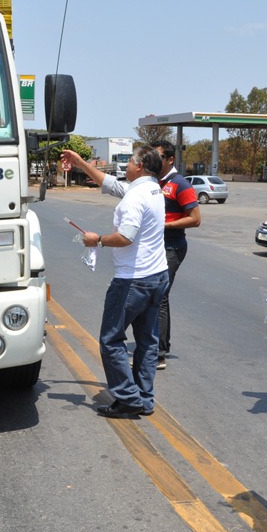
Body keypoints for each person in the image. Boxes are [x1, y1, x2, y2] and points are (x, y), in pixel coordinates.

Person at [60, 146, 169, 418]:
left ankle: (128, 398)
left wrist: (96, 240)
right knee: (147, 340)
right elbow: (109, 183)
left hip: (133, 280)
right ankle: (144, 398)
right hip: (157, 277)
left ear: (140, 166)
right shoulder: (153, 189)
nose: (125, 166)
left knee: (110, 339)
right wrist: (80, 163)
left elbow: (126, 237)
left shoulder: (135, 197)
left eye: (129, 162)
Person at [150, 141, 201, 369]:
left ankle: (158, 354)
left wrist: (164, 224)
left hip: (172, 247)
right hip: (156, 246)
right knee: (161, 297)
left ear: (170, 159)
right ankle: (162, 345)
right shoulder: (153, 182)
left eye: (157, 157)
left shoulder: (180, 184)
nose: (152, 161)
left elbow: (195, 219)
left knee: (159, 296)